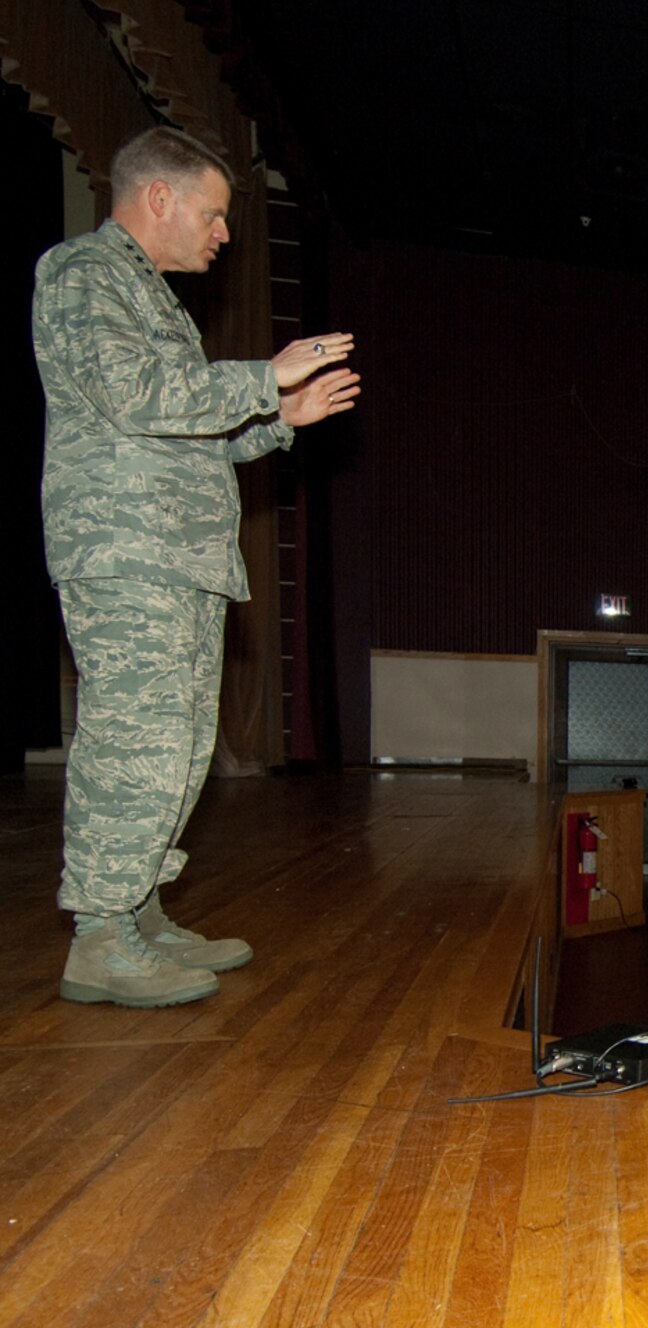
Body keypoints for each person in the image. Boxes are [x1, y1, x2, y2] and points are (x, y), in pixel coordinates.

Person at [37, 127, 361, 1008]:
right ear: (160, 199)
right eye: (214, 215)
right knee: (132, 739)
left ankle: (136, 910)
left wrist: (283, 415)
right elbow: (133, 396)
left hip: (178, 553)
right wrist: (266, 375)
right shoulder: (83, 275)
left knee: (178, 746)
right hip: (124, 547)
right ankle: (100, 937)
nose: (223, 235)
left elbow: (193, 435)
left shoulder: (160, 303)